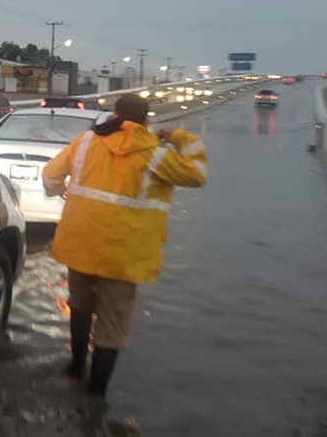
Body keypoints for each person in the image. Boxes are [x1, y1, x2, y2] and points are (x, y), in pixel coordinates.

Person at [42, 94, 207, 396]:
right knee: (112, 323)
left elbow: (50, 175)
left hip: (80, 244)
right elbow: (198, 174)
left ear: (115, 115)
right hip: (124, 255)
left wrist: (60, 192)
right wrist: (179, 136)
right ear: (146, 121)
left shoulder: (86, 142)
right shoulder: (155, 154)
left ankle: (76, 368)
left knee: (78, 307)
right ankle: (95, 397)